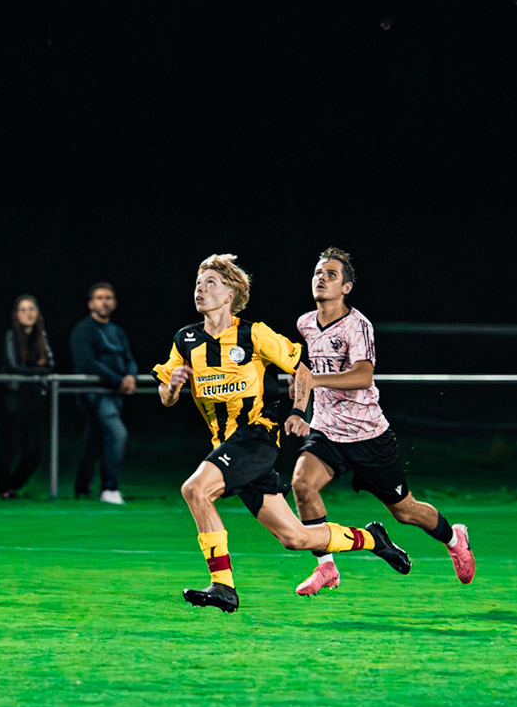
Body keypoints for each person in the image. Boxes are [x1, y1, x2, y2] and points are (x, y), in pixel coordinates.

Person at [153, 254, 409, 613]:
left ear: (230, 294)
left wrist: (296, 412)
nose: (200, 289)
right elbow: (165, 396)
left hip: (255, 437)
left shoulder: (253, 333)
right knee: (295, 537)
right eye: (198, 283)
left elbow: (302, 369)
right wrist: (174, 386)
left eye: (211, 282)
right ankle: (372, 538)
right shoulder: (185, 341)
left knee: (195, 489)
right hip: (228, 447)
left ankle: (223, 586)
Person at [288, 248, 473, 595]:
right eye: (317, 272)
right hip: (327, 432)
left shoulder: (357, 326)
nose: (321, 278)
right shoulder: (305, 323)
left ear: (347, 287)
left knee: (406, 511)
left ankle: (453, 536)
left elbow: (362, 376)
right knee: (302, 485)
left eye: (331, 274)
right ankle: (326, 568)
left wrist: (316, 380)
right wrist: (299, 410)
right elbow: (304, 374)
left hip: (368, 436)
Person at [71, 281, 137, 504]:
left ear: (115, 302)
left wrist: (131, 376)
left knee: (96, 439)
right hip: (95, 394)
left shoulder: (117, 331)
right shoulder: (83, 329)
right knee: (117, 435)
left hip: (115, 394)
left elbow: (129, 359)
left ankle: (81, 488)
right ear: (91, 303)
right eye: (99, 297)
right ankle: (109, 488)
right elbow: (87, 363)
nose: (104, 301)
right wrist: (119, 380)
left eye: (108, 297)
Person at [0, 294, 54, 498]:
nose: (27, 313)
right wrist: (37, 370)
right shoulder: (12, 335)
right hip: (14, 398)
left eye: (31, 309)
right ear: (16, 314)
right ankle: (3, 488)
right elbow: (12, 367)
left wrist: (36, 370)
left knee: (35, 451)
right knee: (10, 446)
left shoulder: (41, 336)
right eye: (22, 309)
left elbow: (50, 365)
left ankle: (14, 484)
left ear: (38, 313)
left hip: (35, 398)